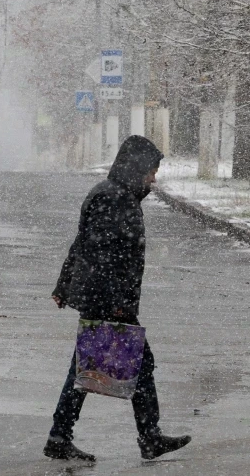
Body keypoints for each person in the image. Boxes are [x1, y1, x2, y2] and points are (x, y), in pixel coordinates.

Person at [44, 135, 192, 462]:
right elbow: (99, 252)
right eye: (151, 170)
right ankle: (147, 436)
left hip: (106, 296)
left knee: (90, 368)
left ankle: (63, 436)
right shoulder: (114, 198)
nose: (153, 177)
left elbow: (82, 244)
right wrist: (116, 302)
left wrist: (63, 285)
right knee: (111, 366)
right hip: (108, 298)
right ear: (137, 167)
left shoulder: (116, 194)